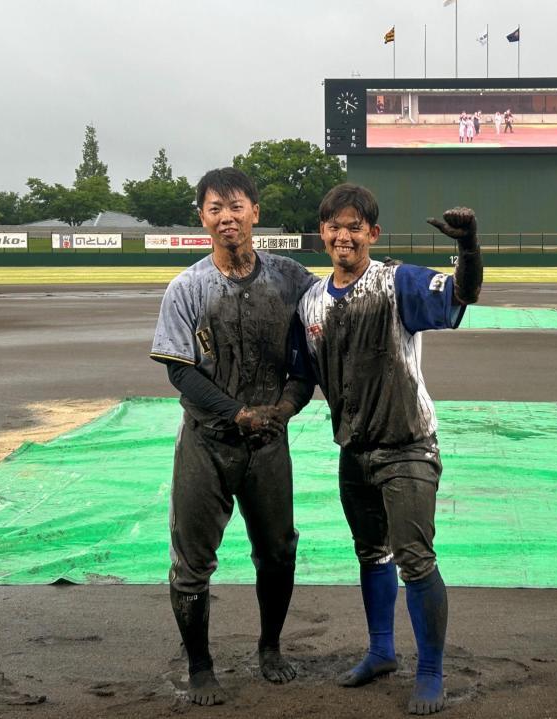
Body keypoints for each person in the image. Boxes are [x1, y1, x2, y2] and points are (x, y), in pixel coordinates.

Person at [296, 183, 483, 715]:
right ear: (322, 235)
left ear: (372, 234)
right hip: (353, 450)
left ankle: (429, 671)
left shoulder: (397, 282)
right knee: (370, 552)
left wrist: (469, 248)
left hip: (408, 447)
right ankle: (381, 651)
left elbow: (461, 295)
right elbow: (301, 374)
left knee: (415, 560)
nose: (344, 235)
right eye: (335, 226)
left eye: (355, 226)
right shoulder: (310, 301)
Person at [150, 167, 316, 706]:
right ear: (202, 217)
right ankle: (200, 667)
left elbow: (313, 350)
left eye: (237, 205)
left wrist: (286, 406)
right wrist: (236, 412)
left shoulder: (291, 279)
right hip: (208, 440)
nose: (227, 217)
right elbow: (181, 371)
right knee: (193, 560)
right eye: (215, 208)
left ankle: (270, 647)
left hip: (269, 440)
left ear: (255, 213)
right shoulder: (188, 287)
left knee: (278, 551)